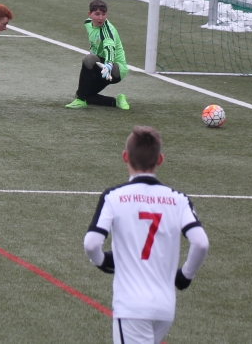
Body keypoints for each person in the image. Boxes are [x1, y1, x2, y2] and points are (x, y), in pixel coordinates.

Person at [84, 126, 209, 344]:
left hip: (131, 306)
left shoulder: (114, 196)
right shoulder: (179, 199)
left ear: (125, 156)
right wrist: (185, 276)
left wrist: (103, 262)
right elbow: (200, 243)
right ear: (160, 159)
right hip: (164, 308)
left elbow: (91, 244)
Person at [66, 0, 130, 110]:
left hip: (115, 69)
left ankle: (80, 100)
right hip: (101, 66)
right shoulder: (88, 23)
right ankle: (117, 101)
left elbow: (110, 48)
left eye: (103, 14)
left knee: (89, 59)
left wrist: (109, 64)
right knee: (86, 95)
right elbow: (95, 43)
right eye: (97, 14)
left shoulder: (106, 31)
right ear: (89, 14)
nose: (101, 18)